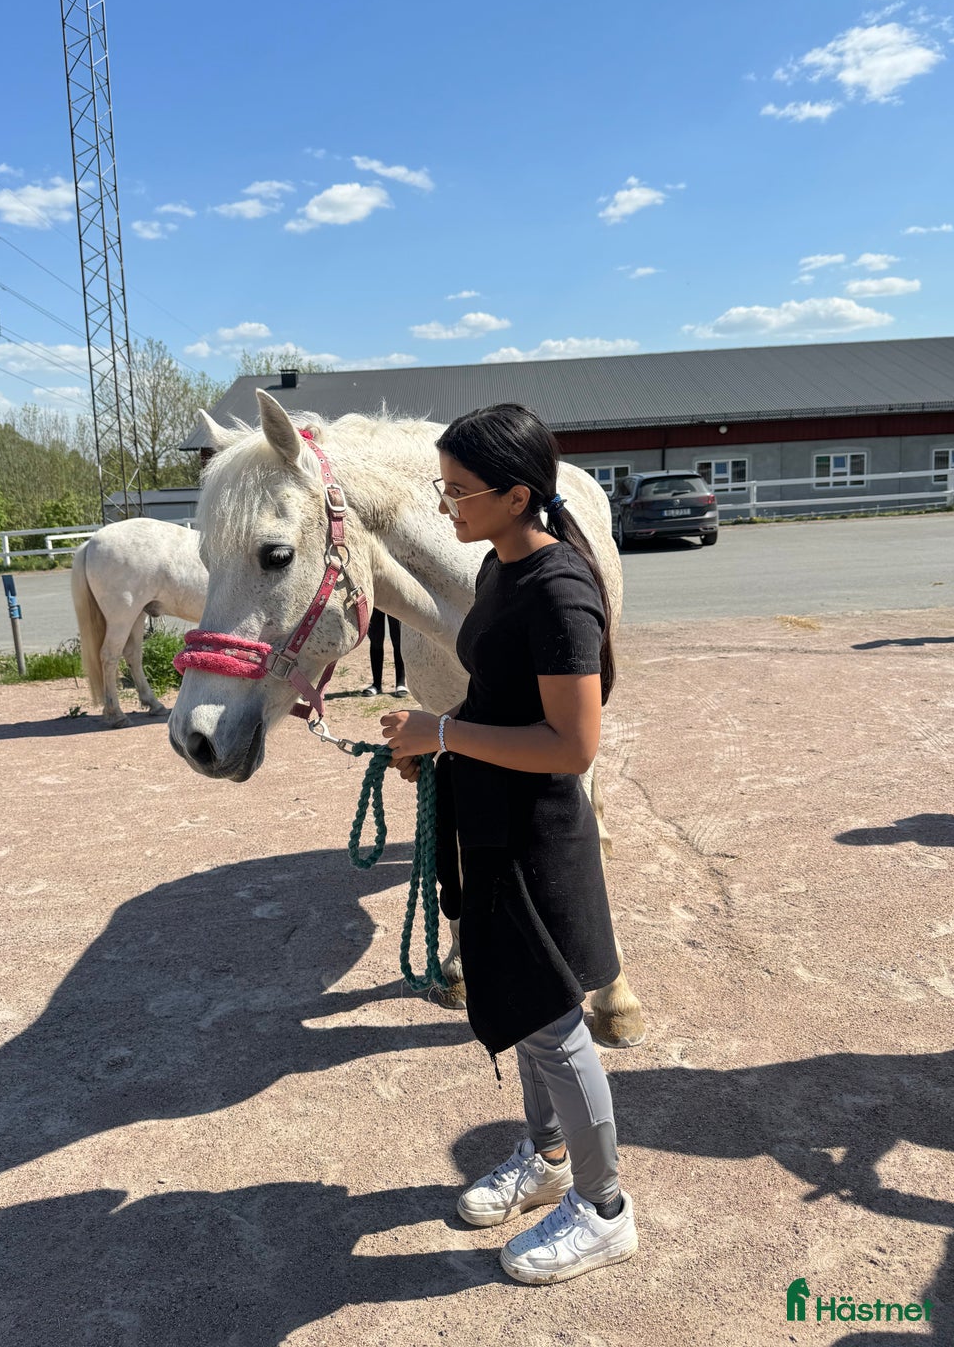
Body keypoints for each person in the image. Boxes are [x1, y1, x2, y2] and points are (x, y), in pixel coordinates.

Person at [379, 402, 637, 1286]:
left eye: (459, 491)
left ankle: (605, 1211)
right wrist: (433, 740)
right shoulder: (498, 567)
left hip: (536, 839)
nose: (445, 506)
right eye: (440, 488)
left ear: (517, 492)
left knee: (558, 1027)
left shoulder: (560, 591)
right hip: (486, 823)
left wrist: (444, 737)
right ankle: (548, 1158)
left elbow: (573, 746)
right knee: (527, 1020)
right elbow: (499, 703)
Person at [362, 609, 407, 697]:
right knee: (375, 640)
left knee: (398, 640)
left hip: (394, 599)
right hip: (376, 600)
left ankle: (401, 683)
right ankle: (376, 685)